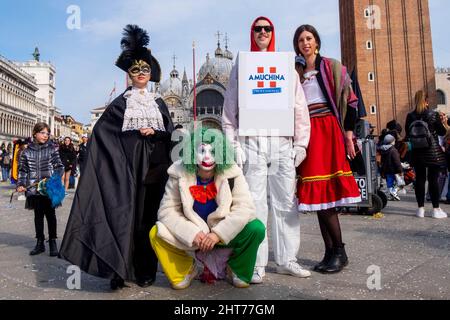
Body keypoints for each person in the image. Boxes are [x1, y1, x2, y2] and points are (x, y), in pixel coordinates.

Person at [59, 25, 174, 290]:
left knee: (148, 217)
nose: (141, 74)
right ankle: (117, 270)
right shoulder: (122, 103)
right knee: (121, 216)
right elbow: (102, 134)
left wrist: (155, 131)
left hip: (153, 170)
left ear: (151, 73)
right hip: (124, 171)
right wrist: (125, 147)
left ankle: (145, 269)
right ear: (129, 75)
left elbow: (169, 132)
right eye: (136, 70)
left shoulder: (159, 102)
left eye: (145, 69)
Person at [222, 16, 312, 284]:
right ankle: (257, 263)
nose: (263, 32)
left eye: (267, 28)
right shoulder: (241, 66)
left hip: (282, 143)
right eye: (258, 29)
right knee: (255, 205)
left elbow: (299, 107)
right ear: (252, 33)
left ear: (273, 33)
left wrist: (301, 143)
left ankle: (287, 260)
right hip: (252, 142)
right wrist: (234, 143)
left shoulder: (287, 67)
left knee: (286, 203)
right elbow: (229, 109)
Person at [150, 128, 265, 289]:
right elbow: (166, 211)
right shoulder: (178, 173)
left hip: (224, 236)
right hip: (195, 236)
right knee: (156, 233)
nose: (207, 157)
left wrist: (218, 234)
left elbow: (245, 208)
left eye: (213, 151)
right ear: (191, 152)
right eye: (201, 150)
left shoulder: (232, 172)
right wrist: (192, 233)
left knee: (256, 228)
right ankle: (185, 269)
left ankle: (236, 268)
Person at [293, 24, 361, 274]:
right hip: (308, 132)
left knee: (327, 198)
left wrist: (349, 133)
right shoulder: (295, 72)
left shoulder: (332, 66)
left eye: (309, 38)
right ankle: (330, 250)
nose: (305, 43)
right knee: (319, 198)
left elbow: (352, 101)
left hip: (328, 131)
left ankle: (340, 251)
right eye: (300, 40)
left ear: (317, 42)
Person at [17, 123, 64, 256]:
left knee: (51, 215)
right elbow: (23, 171)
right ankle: (39, 243)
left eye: (47, 133)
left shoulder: (52, 149)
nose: (45, 135)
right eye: (43, 132)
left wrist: (53, 179)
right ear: (35, 133)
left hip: (48, 189)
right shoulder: (26, 152)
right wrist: (21, 183)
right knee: (38, 216)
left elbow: (59, 167)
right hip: (33, 189)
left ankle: (53, 242)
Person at [405, 90, 448, 219]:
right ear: (427, 101)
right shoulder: (432, 114)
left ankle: (420, 209)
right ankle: (436, 209)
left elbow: (408, 134)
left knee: (420, 179)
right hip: (432, 151)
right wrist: (443, 121)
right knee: (433, 179)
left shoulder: (410, 115)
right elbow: (441, 132)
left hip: (417, 152)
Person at [380, 134, 403, 201]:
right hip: (394, 170)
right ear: (391, 141)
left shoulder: (383, 149)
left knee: (389, 183)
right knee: (400, 183)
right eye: (394, 140)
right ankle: (394, 192)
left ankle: (390, 195)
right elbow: (397, 161)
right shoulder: (393, 150)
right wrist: (400, 170)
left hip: (386, 170)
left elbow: (382, 161)